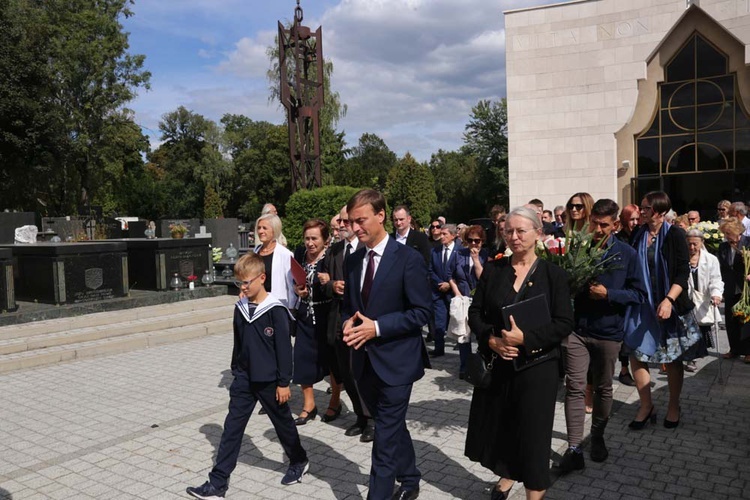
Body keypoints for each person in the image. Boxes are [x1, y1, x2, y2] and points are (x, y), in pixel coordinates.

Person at [465, 206, 574, 500]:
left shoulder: (554, 275)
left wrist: (525, 338)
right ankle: (508, 474)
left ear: (538, 234)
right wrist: (491, 340)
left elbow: (564, 323)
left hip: (538, 369)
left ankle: (533, 493)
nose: (514, 237)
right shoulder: (493, 269)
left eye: (521, 231)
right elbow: (475, 313)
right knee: (504, 428)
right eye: (508, 231)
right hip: (500, 367)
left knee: (534, 438)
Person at [186, 253, 308, 499]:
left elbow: (285, 350)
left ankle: (298, 460)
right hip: (244, 380)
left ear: (262, 278)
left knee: (283, 424)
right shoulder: (240, 307)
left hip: (271, 381)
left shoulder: (276, 310)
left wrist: (284, 382)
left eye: (246, 282)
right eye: (239, 283)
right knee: (231, 428)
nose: (242, 287)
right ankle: (218, 483)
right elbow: (238, 342)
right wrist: (236, 371)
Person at [341, 189, 431, 500]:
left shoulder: (408, 259)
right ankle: (410, 477)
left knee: (383, 438)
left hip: (397, 363)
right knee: (390, 426)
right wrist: (346, 323)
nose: (355, 228)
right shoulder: (352, 261)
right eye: (352, 222)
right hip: (363, 363)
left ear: (381, 216)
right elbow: (348, 306)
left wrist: (377, 328)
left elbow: (422, 312)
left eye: (361, 220)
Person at [558, 199, 646, 474]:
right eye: (594, 223)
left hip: (609, 333)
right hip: (577, 331)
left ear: (616, 225)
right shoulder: (578, 248)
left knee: (603, 388)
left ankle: (596, 437)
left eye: (604, 225)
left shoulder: (628, 254)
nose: (597, 229)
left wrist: (609, 294)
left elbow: (639, 294)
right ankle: (574, 447)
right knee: (574, 386)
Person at [624, 191, 702, 430]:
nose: (641, 212)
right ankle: (646, 405)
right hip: (643, 307)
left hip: (671, 306)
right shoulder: (638, 233)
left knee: (673, 358)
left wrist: (668, 300)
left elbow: (682, 272)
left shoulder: (675, 235)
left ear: (657, 211)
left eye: (645, 208)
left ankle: (673, 405)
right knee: (636, 354)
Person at [322, 206, 374, 441]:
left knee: (363, 373)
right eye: (340, 221)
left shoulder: (367, 249)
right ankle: (360, 417)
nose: (343, 225)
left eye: (347, 221)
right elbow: (321, 282)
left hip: (362, 322)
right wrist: (332, 285)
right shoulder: (333, 251)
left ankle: (372, 419)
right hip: (338, 321)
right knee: (346, 372)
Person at [292, 219, 334, 425]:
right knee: (301, 359)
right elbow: (295, 281)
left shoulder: (332, 257)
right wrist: (297, 290)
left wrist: (330, 282)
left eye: (314, 238)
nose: (310, 243)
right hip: (304, 314)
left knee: (332, 361)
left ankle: (335, 402)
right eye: (307, 238)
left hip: (326, 313)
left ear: (325, 240)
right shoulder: (300, 255)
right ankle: (309, 405)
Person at [449, 224, 489, 378]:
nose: (473, 244)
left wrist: (476, 259)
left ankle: (480, 365)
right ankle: (464, 366)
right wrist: (457, 293)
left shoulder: (486, 255)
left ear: (482, 241)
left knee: (480, 334)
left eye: (477, 241)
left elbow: (484, 278)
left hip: (480, 300)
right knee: (463, 334)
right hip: (463, 298)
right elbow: (450, 275)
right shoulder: (459, 254)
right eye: (470, 240)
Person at [685, 228, 723, 372]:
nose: (692, 247)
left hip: (702, 301)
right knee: (687, 329)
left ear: (702, 242)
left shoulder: (711, 260)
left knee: (699, 330)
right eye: (689, 244)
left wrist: (716, 294)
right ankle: (689, 357)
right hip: (685, 300)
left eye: (695, 244)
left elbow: (716, 279)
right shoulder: (681, 258)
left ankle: (692, 356)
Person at [717, 217, 750, 362]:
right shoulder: (723, 247)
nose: (726, 236)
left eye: (728, 233)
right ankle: (734, 349)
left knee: (746, 320)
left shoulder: (748, 243)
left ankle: (748, 351)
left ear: (736, 232)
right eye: (725, 233)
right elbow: (722, 268)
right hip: (730, 287)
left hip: (746, 287)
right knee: (731, 320)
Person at [615, 203, 641, 386]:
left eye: (637, 219)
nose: (635, 222)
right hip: (622, 289)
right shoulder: (619, 239)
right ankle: (624, 368)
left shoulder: (641, 236)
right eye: (631, 219)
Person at [429, 224, 462, 357]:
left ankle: (461, 347)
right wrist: (439, 283)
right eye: (441, 234)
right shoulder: (435, 251)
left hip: (454, 292)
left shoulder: (460, 251)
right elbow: (430, 270)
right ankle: (439, 349)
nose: (441, 236)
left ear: (453, 236)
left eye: (444, 234)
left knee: (458, 321)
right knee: (439, 323)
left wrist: (450, 284)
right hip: (438, 292)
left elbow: (461, 272)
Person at [254, 214, 297, 309]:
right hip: (256, 303)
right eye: (259, 228)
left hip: (276, 305)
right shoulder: (255, 252)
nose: (261, 231)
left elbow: (290, 284)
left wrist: (291, 308)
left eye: (265, 228)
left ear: (274, 230)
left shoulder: (285, 254)